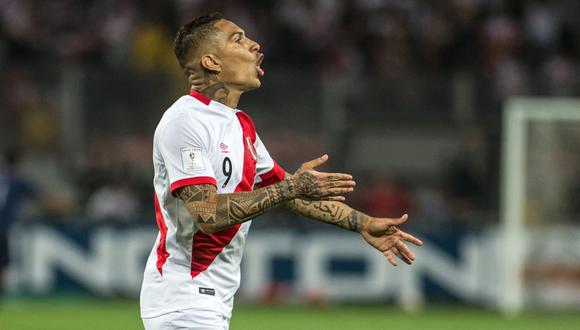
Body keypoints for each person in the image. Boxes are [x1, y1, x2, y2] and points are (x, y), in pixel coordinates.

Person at [140, 12, 423, 330]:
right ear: (211, 62)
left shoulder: (240, 126)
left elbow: (289, 193)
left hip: (209, 301)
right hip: (184, 300)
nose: (255, 44)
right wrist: (289, 189)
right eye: (238, 39)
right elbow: (207, 214)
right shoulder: (185, 121)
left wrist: (363, 223)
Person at [0, 149, 37, 298]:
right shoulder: (18, 180)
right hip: (3, 227)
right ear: (18, 163)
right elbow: (40, 195)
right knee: (3, 264)